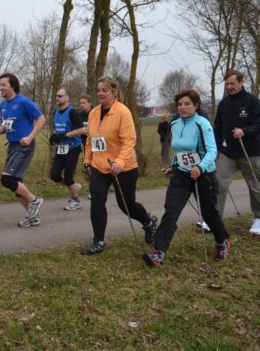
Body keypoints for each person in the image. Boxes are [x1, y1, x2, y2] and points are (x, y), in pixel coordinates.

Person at [144, 89, 231, 267]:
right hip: (181, 176)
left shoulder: (202, 123)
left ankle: (222, 242)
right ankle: (159, 253)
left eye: (187, 104)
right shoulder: (175, 124)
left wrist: (200, 167)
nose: (183, 107)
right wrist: (173, 166)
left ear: (196, 105)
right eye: (180, 104)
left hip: (203, 175)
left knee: (209, 213)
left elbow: (212, 150)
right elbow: (180, 151)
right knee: (171, 212)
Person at [80, 76, 158, 255]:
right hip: (99, 166)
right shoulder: (93, 113)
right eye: (98, 90)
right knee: (97, 200)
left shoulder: (123, 112)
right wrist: (87, 162)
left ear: (114, 92)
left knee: (126, 206)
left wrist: (120, 162)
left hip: (124, 167)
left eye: (105, 90)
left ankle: (148, 222)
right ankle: (98, 241)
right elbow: (90, 141)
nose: (100, 93)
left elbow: (129, 141)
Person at [0, 73, 46, 228]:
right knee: (17, 184)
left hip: (24, 145)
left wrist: (30, 137)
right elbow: (5, 126)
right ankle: (33, 217)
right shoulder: (3, 105)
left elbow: (41, 119)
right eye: (0, 85)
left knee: (7, 180)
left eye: (3, 85)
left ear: (12, 85)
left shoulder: (24, 102)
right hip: (12, 146)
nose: (0, 88)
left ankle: (34, 200)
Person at [213, 70, 260, 234]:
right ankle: (214, 219)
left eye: (232, 83)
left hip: (250, 152)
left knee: (255, 185)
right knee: (218, 183)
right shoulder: (224, 103)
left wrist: (245, 131)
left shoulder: (252, 101)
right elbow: (218, 127)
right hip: (228, 152)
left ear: (241, 82)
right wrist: (216, 148)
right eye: (227, 84)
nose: (229, 87)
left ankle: (258, 218)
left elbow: (258, 124)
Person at [49, 88, 87, 211]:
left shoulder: (72, 112)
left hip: (73, 148)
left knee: (68, 177)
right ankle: (74, 187)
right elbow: (59, 129)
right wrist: (54, 136)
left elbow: (82, 130)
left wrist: (65, 135)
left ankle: (76, 201)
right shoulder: (55, 112)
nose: (57, 97)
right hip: (61, 148)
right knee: (54, 175)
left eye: (60, 96)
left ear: (67, 98)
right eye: (56, 95)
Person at [78, 94, 93, 200]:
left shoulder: (96, 113)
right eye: (80, 103)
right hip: (85, 144)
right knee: (88, 167)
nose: (82, 105)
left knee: (95, 166)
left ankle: (95, 189)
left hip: (96, 143)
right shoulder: (80, 116)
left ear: (90, 103)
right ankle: (92, 189)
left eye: (84, 103)